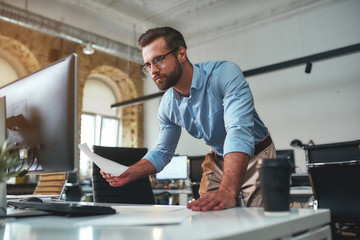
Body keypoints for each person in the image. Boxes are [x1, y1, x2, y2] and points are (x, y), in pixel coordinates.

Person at [101, 27, 276, 211]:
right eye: (148, 65)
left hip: (258, 155)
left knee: (263, 220)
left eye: (158, 60)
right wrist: (130, 172)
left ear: (181, 54)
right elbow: (162, 152)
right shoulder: (168, 105)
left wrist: (227, 190)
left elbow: (238, 130)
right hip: (218, 159)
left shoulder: (224, 74)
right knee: (207, 216)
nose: (153, 70)